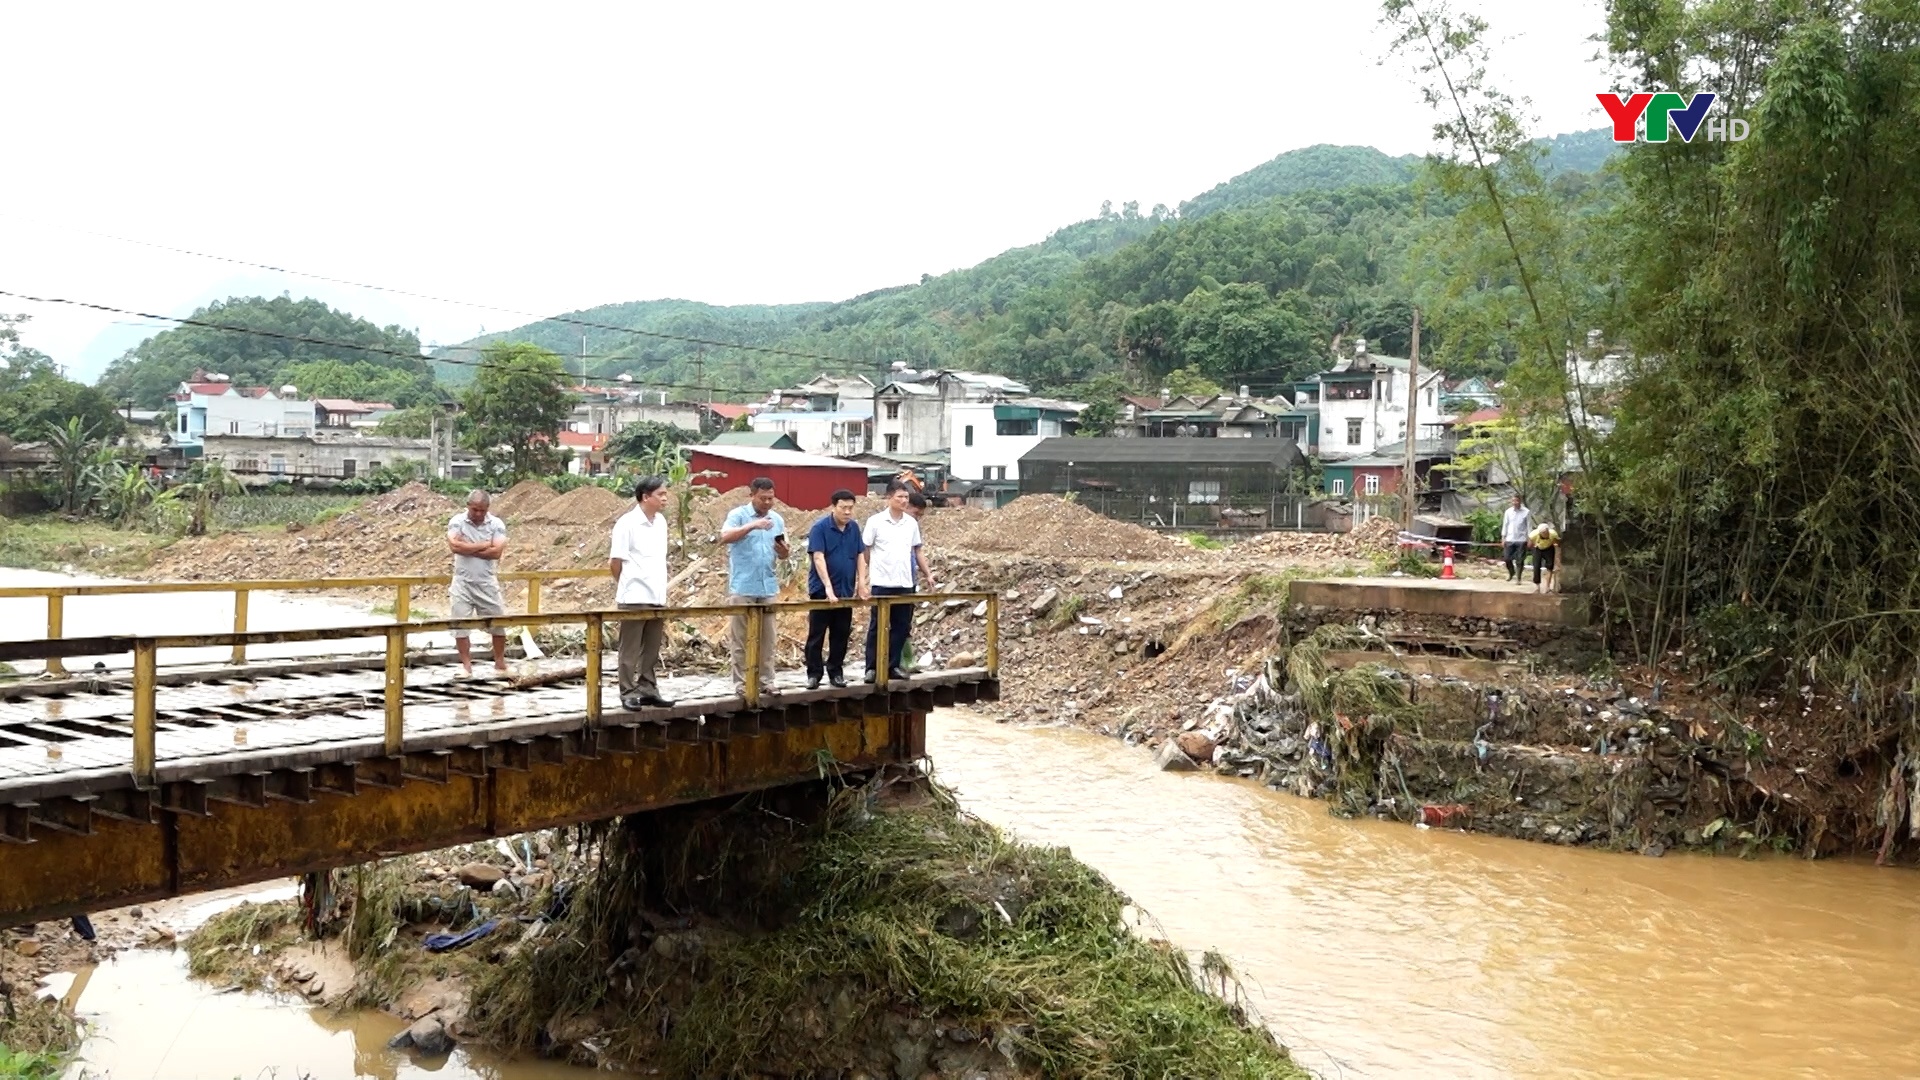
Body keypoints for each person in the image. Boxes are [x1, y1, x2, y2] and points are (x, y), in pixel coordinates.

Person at [609, 475, 673, 709]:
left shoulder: (661, 523)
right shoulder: (627, 523)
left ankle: (648, 687)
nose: (665, 498)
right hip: (634, 595)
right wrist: (626, 584)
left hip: (656, 594)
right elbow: (615, 562)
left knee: (652, 646)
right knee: (630, 648)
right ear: (646, 497)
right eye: (660, 494)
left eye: (665, 494)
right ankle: (627, 690)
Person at [719, 477, 787, 696]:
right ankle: (741, 683)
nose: (768, 502)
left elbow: (784, 553)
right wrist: (752, 525)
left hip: (768, 586)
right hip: (743, 586)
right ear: (752, 495)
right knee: (740, 638)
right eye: (763, 498)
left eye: (771, 498)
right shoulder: (738, 515)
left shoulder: (776, 519)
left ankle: (766, 680)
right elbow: (725, 536)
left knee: (768, 638)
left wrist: (783, 550)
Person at [860, 481, 934, 682]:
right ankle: (872, 667)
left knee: (901, 627)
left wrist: (927, 573)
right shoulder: (875, 522)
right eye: (900, 497)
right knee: (878, 626)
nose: (903, 501)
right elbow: (865, 548)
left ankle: (891, 666)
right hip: (882, 582)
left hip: (905, 582)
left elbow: (917, 549)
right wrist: (866, 574)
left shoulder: (910, 524)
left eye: (906, 498)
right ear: (889, 497)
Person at [804, 489, 865, 689]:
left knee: (841, 633)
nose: (847, 512)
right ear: (833, 507)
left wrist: (862, 583)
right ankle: (814, 673)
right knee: (817, 633)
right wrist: (828, 588)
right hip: (822, 591)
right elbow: (818, 557)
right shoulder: (820, 528)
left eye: (850, 508)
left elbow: (860, 556)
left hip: (845, 591)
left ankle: (836, 671)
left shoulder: (854, 529)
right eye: (843, 508)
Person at [447, 489, 509, 677]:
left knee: (498, 622)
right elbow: (454, 547)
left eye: (482, 510)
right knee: (460, 624)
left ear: (488, 508)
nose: (478, 514)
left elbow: (496, 552)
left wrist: (467, 548)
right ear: (468, 507)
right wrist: (483, 545)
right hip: (462, 581)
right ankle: (466, 665)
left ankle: (499, 662)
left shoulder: (496, 524)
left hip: (487, 581)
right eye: (475, 510)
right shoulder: (457, 522)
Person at [1500, 493, 1533, 584]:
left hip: (1521, 539)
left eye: (1517, 501)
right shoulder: (1508, 512)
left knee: (1520, 560)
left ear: (1520, 501)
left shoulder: (1526, 512)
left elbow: (1529, 526)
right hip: (1510, 538)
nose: (1515, 503)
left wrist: (1530, 538)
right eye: (1513, 501)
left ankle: (1518, 578)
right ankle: (1511, 572)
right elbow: (1505, 525)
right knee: (1507, 558)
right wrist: (1503, 537)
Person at [1529, 520, 1562, 594]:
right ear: (1540, 533)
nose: (1546, 534)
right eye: (1544, 533)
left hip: (1549, 548)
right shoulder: (1533, 534)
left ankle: (1547, 587)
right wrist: (1534, 547)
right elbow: (1529, 544)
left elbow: (1558, 542)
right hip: (1537, 548)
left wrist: (1558, 553)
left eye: (1547, 533)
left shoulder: (1553, 534)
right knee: (1536, 567)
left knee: (1550, 566)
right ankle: (1537, 587)